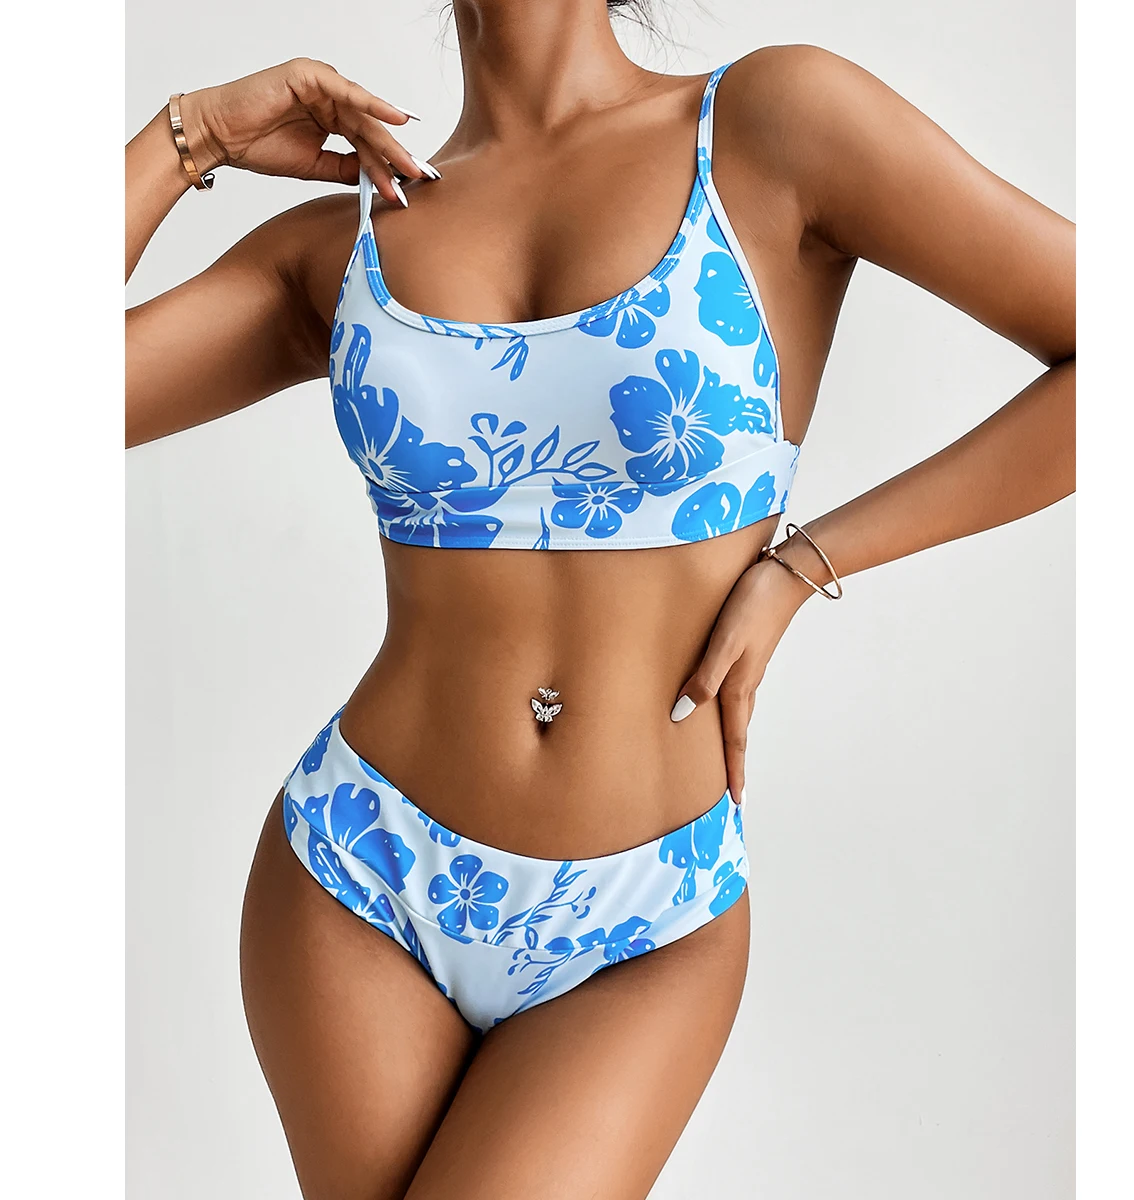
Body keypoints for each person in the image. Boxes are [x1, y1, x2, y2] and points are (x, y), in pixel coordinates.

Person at [125, 3, 1075, 1196]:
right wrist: (190, 136)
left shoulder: (772, 128)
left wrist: (807, 562)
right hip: (356, 878)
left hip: (644, 921)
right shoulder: (347, 243)